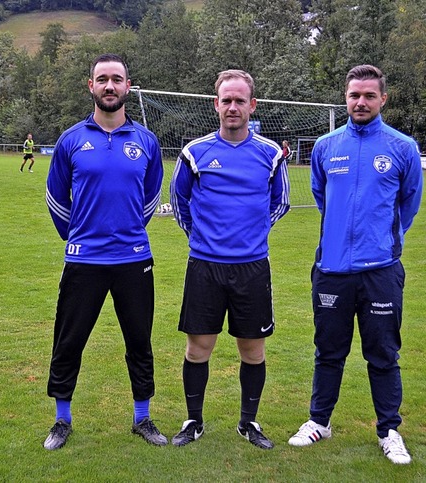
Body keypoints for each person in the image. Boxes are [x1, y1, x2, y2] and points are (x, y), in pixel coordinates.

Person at [288, 65, 422, 465]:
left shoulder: (402, 147)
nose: (360, 102)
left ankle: (389, 430)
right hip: (331, 269)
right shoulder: (327, 146)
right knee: (328, 351)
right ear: (345, 98)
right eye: (353, 95)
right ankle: (319, 422)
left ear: (383, 99)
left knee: (382, 353)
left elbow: (408, 203)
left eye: (368, 95)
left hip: (380, 269)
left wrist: (380, 239)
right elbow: (321, 196)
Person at [43, 53, 165, 451]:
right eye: (102, 79)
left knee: (139, 341)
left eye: (117, 79)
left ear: (128, 86)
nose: (109, 86)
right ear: (90, 86)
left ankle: (142, 418)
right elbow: (56, 197)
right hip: (83, 260)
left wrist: (127, 231)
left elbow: (150, 199)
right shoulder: (71, 140)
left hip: (133, 259)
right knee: (69, 340)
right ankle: (62, 420)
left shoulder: (146, 141)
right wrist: (78, 235)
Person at [170, 69, 290, 449]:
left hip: (253, 267)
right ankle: (194, 421)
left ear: (252, 106)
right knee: (198, 348)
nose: (233, 107)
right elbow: (179, 201)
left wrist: (251, 233)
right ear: (216, 105)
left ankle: (248, 423)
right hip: (204, 266)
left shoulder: (270, 153)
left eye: (240, 101)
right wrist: (202, 237)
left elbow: (280, 202)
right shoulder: (195, 152)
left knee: (252, 350)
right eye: (227, 100)